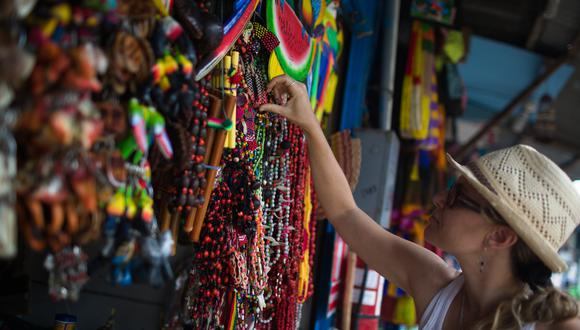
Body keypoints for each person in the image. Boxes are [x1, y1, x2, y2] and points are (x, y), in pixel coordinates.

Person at [260, 75, 580, 330]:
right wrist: (309, 126)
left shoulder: (557, 325)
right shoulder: (434, 284)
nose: (440, 198)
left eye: (457, 198)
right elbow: (345, 213)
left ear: (499, 236)